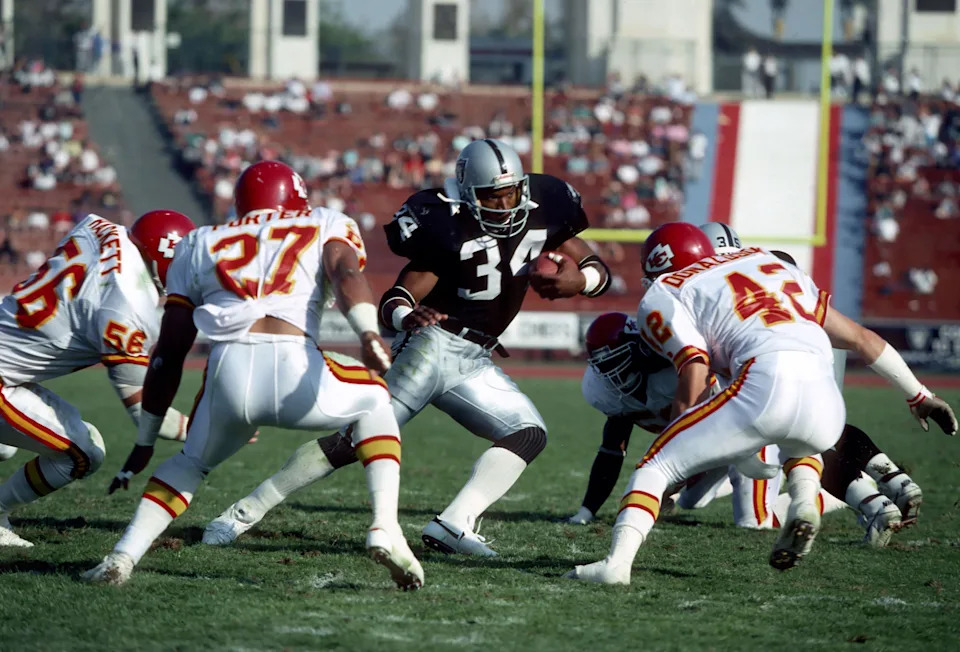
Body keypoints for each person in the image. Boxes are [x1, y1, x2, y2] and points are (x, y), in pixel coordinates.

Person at [202, 139, 612, 557]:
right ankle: (242, 512)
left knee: (527, 434)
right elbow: (394, 300)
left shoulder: (545, 204)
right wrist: (406, 318)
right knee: (351, 442)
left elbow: (594, 265)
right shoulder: (443, 223)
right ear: (469, 193)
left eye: (511, 192)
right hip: (431, 348)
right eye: (493, 195)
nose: (505, 204)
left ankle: (454, 523)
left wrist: (583, 282)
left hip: (475, 358)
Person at [82, 161, 423, 590]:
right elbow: (345, 273)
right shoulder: (323, 221)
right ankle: (384, 526)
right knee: (375, 397)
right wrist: (369, 333)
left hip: (227, 373)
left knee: (190, 462)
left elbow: (170, 351)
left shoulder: (199, 241)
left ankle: (121, 558)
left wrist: (147, 437)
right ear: (297, 198)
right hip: (293, 366)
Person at [566, 223, 955, 585]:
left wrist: (676, 449)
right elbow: (861, 339)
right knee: (798, 440)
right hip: (824, 394)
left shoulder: (665, 292)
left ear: (655, 267)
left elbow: (694, 370)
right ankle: (806, 503)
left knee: (656, 465)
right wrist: (918, 394)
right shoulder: (767, 263)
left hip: (764, 383)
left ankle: (616, 565)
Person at [570, 310, 930, 547]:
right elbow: (612, 443)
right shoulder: (609, 388)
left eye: (617, 360)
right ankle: (861, 484)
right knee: (693, 500)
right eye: (605, 363)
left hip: (746, 426)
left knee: (757, 521)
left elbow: (690, 426)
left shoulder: (683, 363)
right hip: (711, 441)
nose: (611, 372)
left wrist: (665, 482)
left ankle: (846, 493)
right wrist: (587, 510)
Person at [0, 210, 194, 547]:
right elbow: (148, 416)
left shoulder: (101, 227)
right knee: (85, 454)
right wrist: (203, 429)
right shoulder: (130, 306)